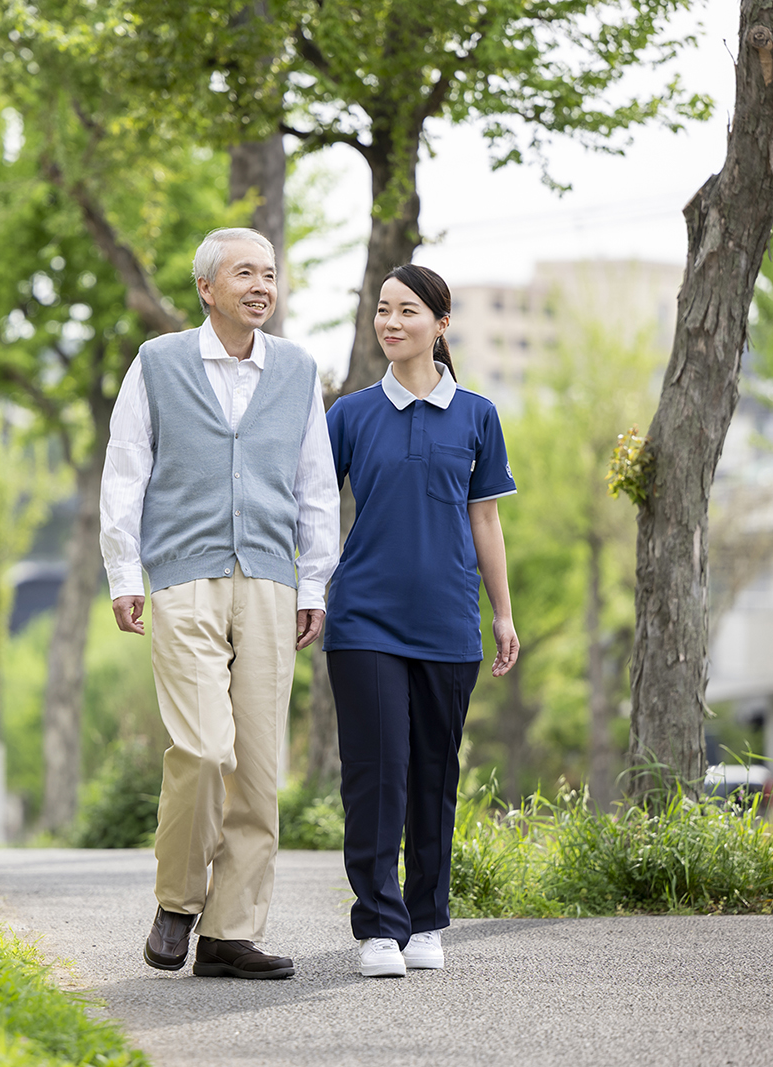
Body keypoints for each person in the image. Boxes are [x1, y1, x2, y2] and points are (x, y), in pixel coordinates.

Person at [99, 227, 340, 980]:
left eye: (269, 274)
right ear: (207, 288)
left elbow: (315, 485)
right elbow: (125, 471)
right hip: (184, 577)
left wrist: (313, 583)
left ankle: (231, 933)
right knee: (204, 750)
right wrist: (124, 574)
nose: (261, 286)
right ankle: (178, 900)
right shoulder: (157, 363)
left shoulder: (298, 370)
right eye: (245, 273)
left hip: (270, 579)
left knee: (259, 768)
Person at [323, 263, 520, 978]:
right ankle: (379, 926)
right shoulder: (348, 415)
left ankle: (427, 919)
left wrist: (502, 613)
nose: (391, 322)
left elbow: (485, 518)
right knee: (375, 773)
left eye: (407, 310)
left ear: (440, 324)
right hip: (363, 619)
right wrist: (307, 592)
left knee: (434, 774)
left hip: (446, 621)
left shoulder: (477, 415)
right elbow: (314, 510)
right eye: (383, 309)